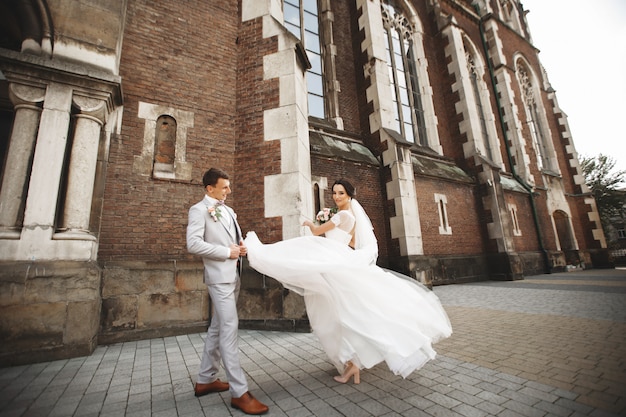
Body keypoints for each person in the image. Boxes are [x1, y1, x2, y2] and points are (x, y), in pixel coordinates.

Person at [244, 179, 452, 384]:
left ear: (350, 195)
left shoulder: (342, 214)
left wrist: (310, 223)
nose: (336, 197)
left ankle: (262, 252)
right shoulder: (351, 217)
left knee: (338, 305)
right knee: (345, 312)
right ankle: (353, 363)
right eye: (334, 193)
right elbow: (351, 242)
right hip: (339, 260)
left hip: (335, 264)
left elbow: (317, 233)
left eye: (341, 193)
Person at [187, 168, 269, 415]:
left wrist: (240, 247)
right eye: (224, 187)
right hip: (218, 279)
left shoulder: (229, 210)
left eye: (228, 186)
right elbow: (193, 244)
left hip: (234, 275)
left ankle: (206, 379)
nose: (229, 191)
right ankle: (239, 392)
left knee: (217, 326)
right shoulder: (198, 210)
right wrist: (226, 252)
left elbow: (232, 239)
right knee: (229, 328)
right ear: (209, 188)